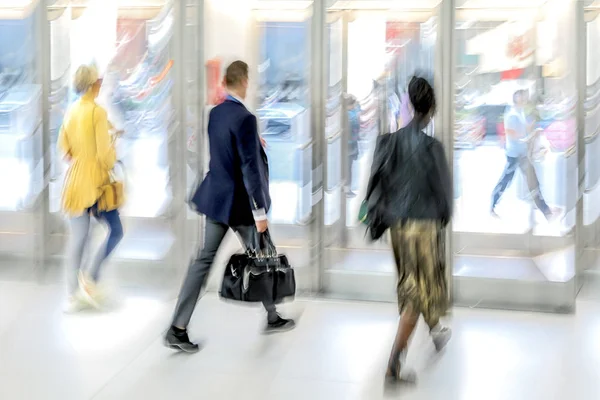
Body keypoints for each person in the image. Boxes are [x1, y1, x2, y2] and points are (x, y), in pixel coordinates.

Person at [164, 60, 295, 354]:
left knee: (203, 262)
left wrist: (253, 143)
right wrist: (260, 213)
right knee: (263, 256)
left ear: (225, 82)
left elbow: (226, 151)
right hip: (241, 206)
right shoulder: (245, 118)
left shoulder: (216, 113)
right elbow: (249, 168)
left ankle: (177, 327)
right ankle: (273, 317)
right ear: (245, 81)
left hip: (217, 199)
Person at [364, 75, 452, 382]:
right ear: (431, 109)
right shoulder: (433, 148)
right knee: (417, 292)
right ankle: (393, 365)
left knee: (414, 283)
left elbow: (378, 185)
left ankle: (437, 330)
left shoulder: (389, 143)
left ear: (409, 104)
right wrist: (442, 218)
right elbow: (444, 196)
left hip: (398, 229)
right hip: (424, 228)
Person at [58, 64, 123, 313]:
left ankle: (73, 295)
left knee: (78, 240)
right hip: (96, 184)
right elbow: (105, 156)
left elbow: (66, 151)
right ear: (92, 84)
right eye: (99, 80)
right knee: (116, 230)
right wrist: (113, 145)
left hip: (74, 184)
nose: (101, 83)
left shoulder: (71, 111)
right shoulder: (97, 112)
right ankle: (91, 279)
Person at [491, 89, 558, 220]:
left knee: (530, 182)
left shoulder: (520, 112)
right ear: (516, 98)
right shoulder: (511, 114)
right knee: (507, 181)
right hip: (515, 155)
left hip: (521, 154)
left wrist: (532, 128)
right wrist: (531, 135)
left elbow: (524, 130)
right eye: (522, 96)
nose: (524, 98)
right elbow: (512, 134)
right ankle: (492, 205)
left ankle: (547, 212)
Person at [346, 95, 361, 198]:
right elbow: (356, 125)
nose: (354, 106)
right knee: (348, 168)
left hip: (350, 144)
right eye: (353, 104)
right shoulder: (351, 116)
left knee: (348, 167)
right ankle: (347, 189)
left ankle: (347, 188)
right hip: (350, 144)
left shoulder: (349, 114)